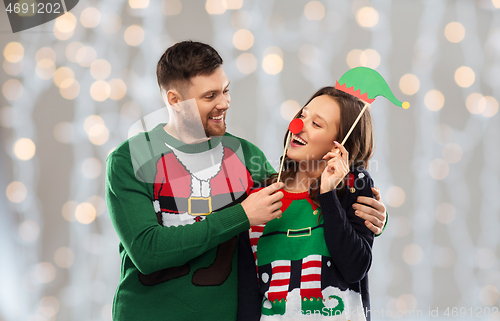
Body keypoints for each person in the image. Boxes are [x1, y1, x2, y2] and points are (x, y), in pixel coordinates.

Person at [105, 41, 387, 321]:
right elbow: (147, 252)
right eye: (210, 96)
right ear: (175, 100)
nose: (224, 103)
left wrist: (367, 215)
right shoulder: (129, 159)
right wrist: (241, 215)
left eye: (226, 90)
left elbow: (298, 199)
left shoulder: (245, 156)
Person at [238, 87, 379, 320]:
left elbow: (355, 268)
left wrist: (328, 193)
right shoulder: (260, 195)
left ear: (339, 145)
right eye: (302, 115)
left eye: (316, 124)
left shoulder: (355, 184)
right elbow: (248, 291)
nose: (298, 125)